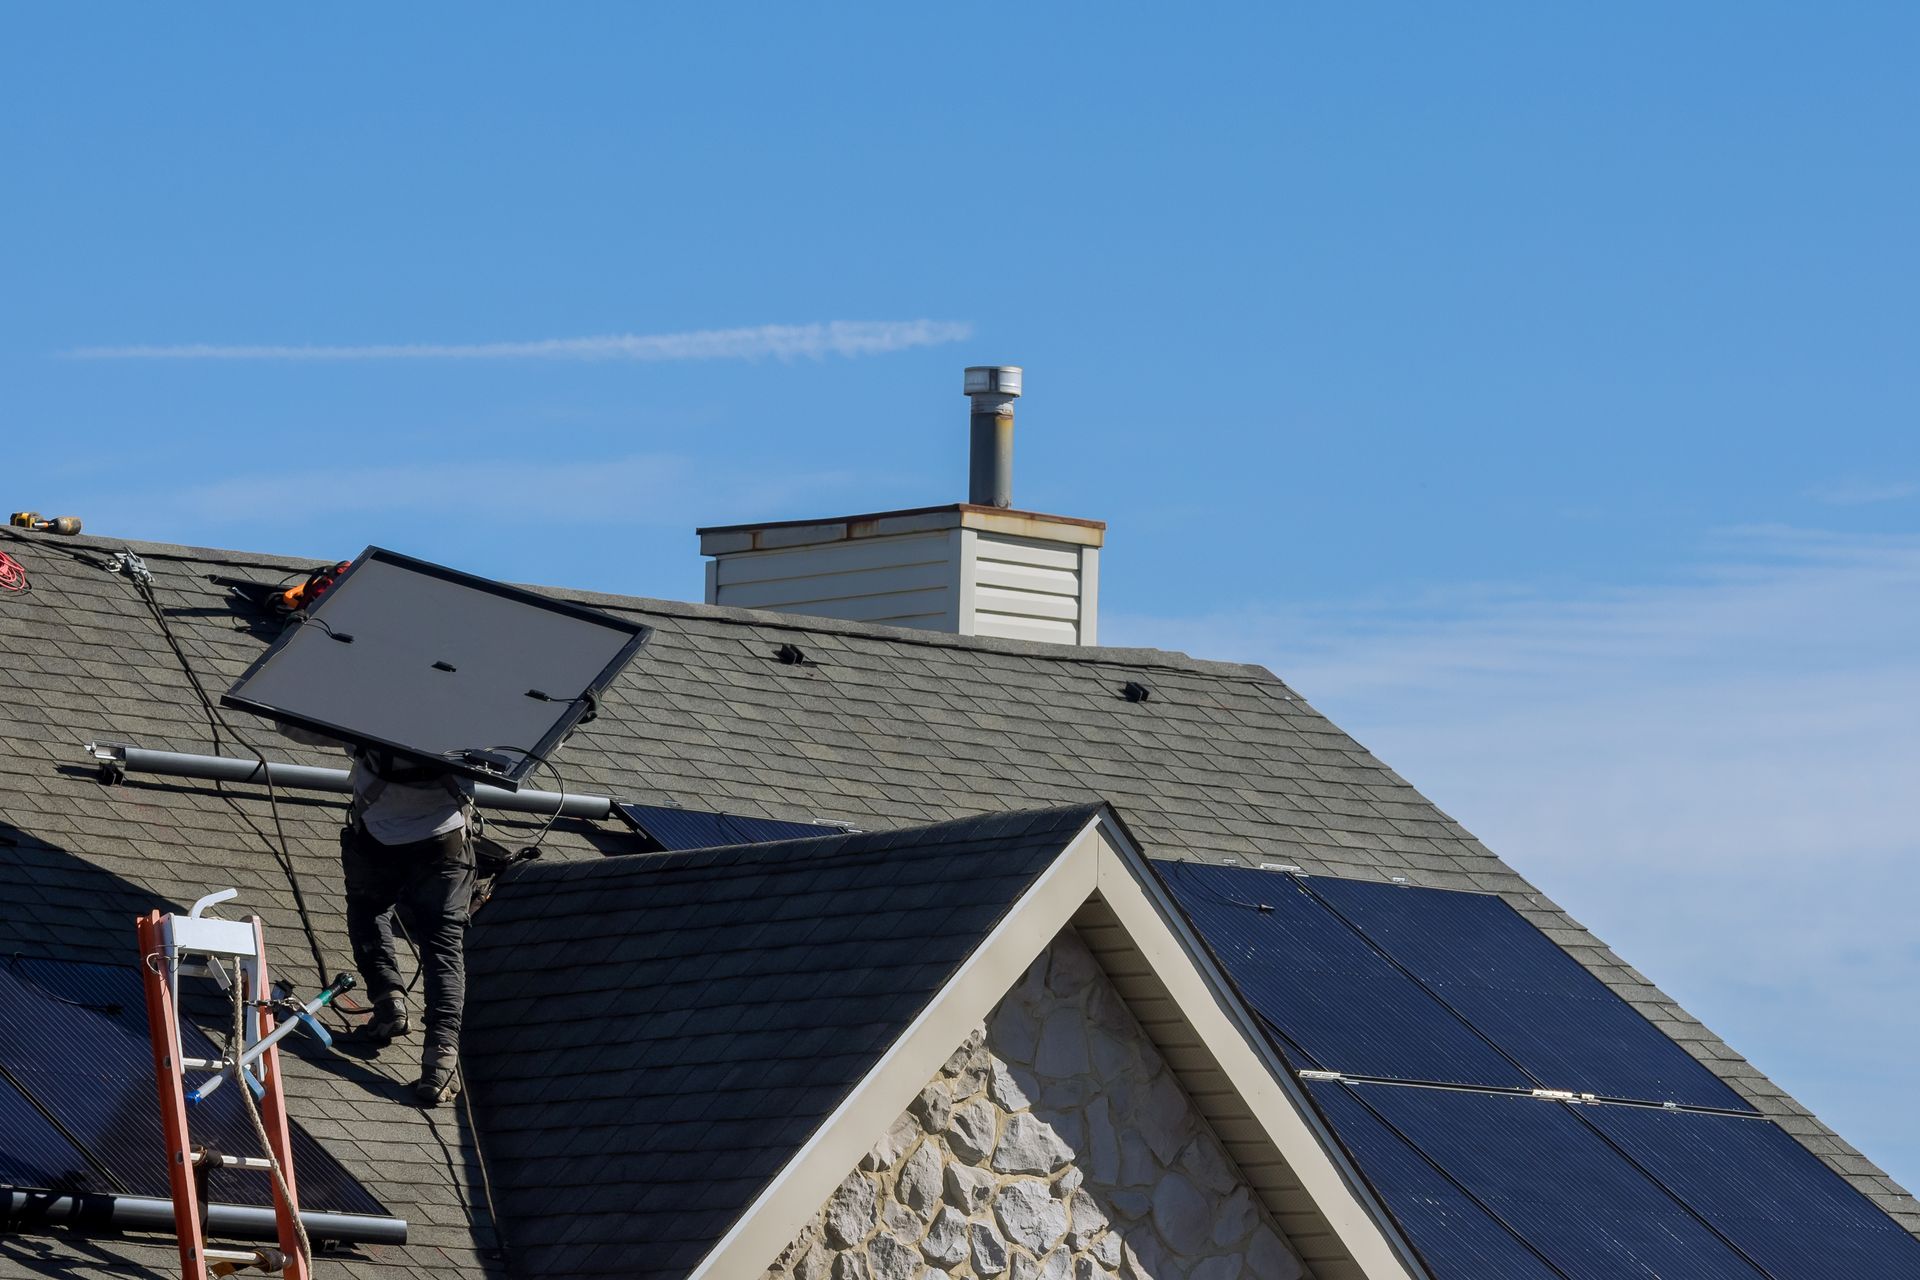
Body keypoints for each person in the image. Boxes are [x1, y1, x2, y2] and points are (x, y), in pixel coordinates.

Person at [281, 726, 474, 1106]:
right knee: (443, 947)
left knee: (369, 911)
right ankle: (440, 1060)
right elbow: (534, 742)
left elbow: (294, 725)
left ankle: (389, 1003)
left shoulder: (372, 711)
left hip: (376, 838)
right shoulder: (471, 719)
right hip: (444, 846)